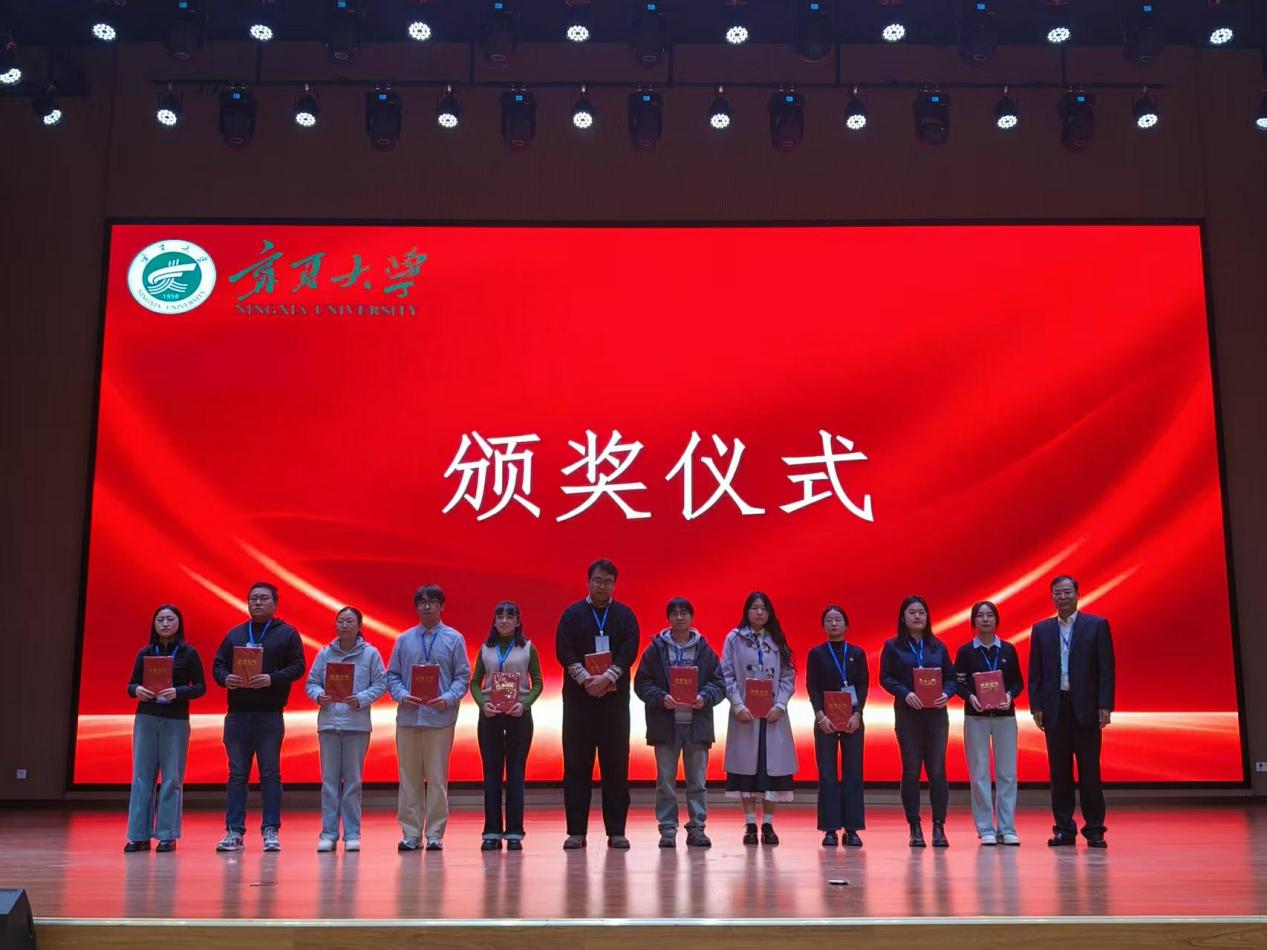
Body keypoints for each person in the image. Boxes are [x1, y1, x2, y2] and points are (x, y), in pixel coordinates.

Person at [211, 582, 306, 853]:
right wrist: (225, 678)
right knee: (237, 774)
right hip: (237, 715)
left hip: (269, 715)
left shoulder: (287, 634)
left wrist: (271, 678)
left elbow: (298, 666)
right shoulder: (235, 634)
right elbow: (217, 666)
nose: (258, 603)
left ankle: (270, 831)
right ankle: (234, 831)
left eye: (264, 598)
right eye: (253, 598)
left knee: (270, 773)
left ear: (275, 604)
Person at [555, 558, 640, 850]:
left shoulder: (624, 615)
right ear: (588, 581)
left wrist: (607, 678)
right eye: (598, 580)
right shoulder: (572, 614)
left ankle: (617, 831)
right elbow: (563, 650)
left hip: (614, 703)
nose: (602, 586)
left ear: (615, 584)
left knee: (616, 765)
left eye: (608, 582)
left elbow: (629, 650)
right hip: (579, 703)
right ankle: (576, 831)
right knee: (576, 765)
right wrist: (585, 679)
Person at [1028, 575, 1115, 848]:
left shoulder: (1097, 625)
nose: (1063, 597)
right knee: (1059, 773)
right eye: (1058, 593)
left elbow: (1106, 670)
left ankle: (1095, 829)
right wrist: (1036, 706)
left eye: (1067, 592)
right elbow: (1035, 673)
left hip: (1086, 708)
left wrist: (1105, 705)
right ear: (1052, 597)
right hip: (1055, 709)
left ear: (1077, 594)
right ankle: (1064, 829)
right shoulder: (1041, 630)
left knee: (1090, 772)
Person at [633, 597, 727, 849]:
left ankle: (697, 828)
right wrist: (660, 697)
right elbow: (641, 684)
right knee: (665, 781)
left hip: (697, 726)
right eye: (674, 613)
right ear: (668, 619)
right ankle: (667, 829)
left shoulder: (705, 650)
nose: (680, 617)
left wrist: (704, 697)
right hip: (665, 725)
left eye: (684, 613)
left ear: (692, 617)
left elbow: (719, 684)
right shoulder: (655, 650)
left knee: (698, 782)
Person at [385, 584, 470, 852]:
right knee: (408, 778)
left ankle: (434, 834)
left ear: (442, 606)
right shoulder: (404, 639)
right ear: (416, 607)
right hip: (409, 718)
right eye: (422, 602)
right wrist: (401, 695)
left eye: (432, 601)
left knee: (437, 778)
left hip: (439, 718)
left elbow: (463, 676)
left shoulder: (454, 639)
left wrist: (448, 698)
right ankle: (411, 833)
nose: (427, 606)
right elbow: (392, 675)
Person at [304, 606, 388, 853]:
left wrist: (360, 698)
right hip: (329, 724)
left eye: (350, 621)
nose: (345, 625)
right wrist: (319, 696)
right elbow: (311, 683)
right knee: (329, 782)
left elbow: (381, 684)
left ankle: (352, 834)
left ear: (359, 626)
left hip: (356, 725)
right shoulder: (325, 653)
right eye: (340, 621)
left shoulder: (370, 654)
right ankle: (328, 834)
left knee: (352, 783)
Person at [124, 604, 206, 853]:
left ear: (179, 623)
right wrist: (137, 690)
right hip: (146, 717)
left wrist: (178, 692)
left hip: (176, 720)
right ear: (154, 624)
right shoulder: (145, 652)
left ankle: (167, 835)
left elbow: (200, 687)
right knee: (141, 777)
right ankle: (138, 835)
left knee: (172, 778)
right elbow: (131, 685)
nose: (166, 623)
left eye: (170, 619)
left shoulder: (189, 653)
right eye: (160, 619)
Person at [879, 595, 957, 848]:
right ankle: (914, 826)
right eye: (912, 612)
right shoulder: (893, 646)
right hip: (908, 714)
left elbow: (952, 678)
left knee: (937, 771)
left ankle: (939, 826)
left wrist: (947, 693)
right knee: (911, 771)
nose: (917, 616)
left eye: (922, 612)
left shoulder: (938, 646)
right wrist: (905, 693)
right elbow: (885, 677)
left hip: (936, 715)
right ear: (903, 618)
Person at [720, 591, 797, 846]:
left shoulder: (777, 639)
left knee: (772, 770)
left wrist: (781, 705)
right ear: (747, 611)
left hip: (773, 715)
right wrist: (737, 705)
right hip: (745, 715)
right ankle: (751, 823)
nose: (759, 612)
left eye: (764, 608)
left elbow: (788, 675)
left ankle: (769, 824)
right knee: (746, 771)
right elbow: (726, 674)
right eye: (754, 607)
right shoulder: (734, 638)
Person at [470, 601, 545, 851]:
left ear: (518, 621)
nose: (504, 621)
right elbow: (475, 683)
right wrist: (483, 704)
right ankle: (491, 832)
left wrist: (524, 704)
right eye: (499, 616)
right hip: (490, 716)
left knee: (515, 774)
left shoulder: (528, 648)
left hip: (518, 716)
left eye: (509, 617)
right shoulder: (486, 648)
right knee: (491, 774)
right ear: (494, 621)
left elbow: (537, 682)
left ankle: (514, 833)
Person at [953, 600, 1024, 846]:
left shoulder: (1008, 650)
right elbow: (958, 683)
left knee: (1008, 773)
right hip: (976, 717)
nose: (985, 619)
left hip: (1005, 716)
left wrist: (1009, 695)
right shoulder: (965, 651)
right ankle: (985, 829)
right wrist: (970, 697)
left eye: (990, 615)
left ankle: (1007, 827)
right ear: (974, 621)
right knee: (979, 773)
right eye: (980, 616)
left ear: (996, 620)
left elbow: (1017, 682)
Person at [805, 604, 868, 848]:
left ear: (846, 625)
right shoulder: (816, 653)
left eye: (838, 619)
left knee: (853, 773)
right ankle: (829, 829)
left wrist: (858, 714)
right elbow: (812, 687)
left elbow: (862, 685)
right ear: (823, 626)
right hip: (825, 721)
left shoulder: (857, 653)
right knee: (828, 775)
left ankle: (852, 829)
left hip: (853, 720)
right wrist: (820, 716)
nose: (834, 623)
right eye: (829, 620)